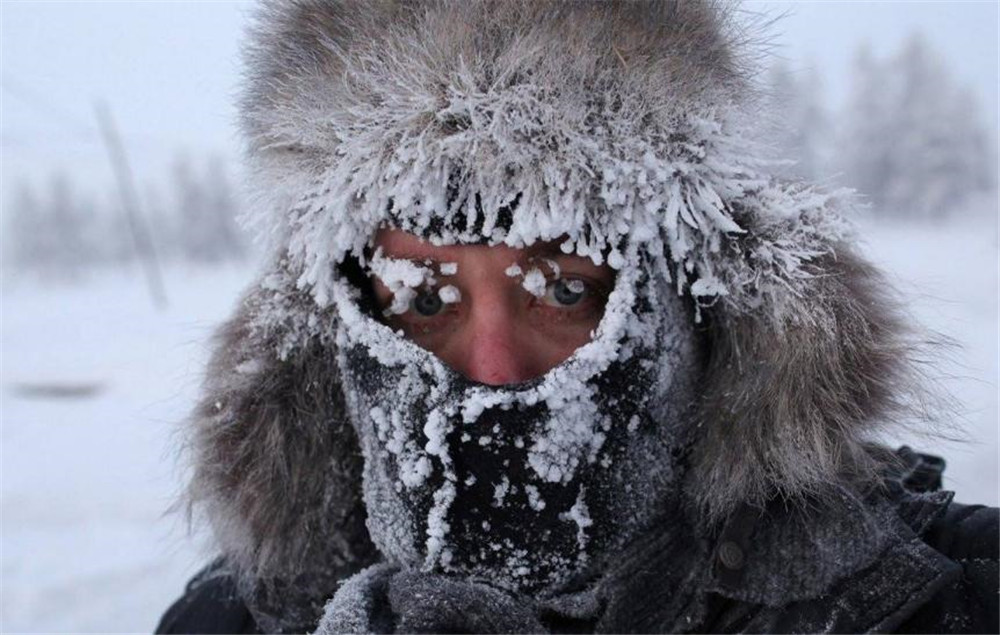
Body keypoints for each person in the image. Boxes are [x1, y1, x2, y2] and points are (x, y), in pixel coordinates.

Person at [157, 1, 999, 633]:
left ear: (685, 299)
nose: (492, 367)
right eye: (422, 298)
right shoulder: (230, 620)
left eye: (560, 289)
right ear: (339, 329)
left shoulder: (937, 595)